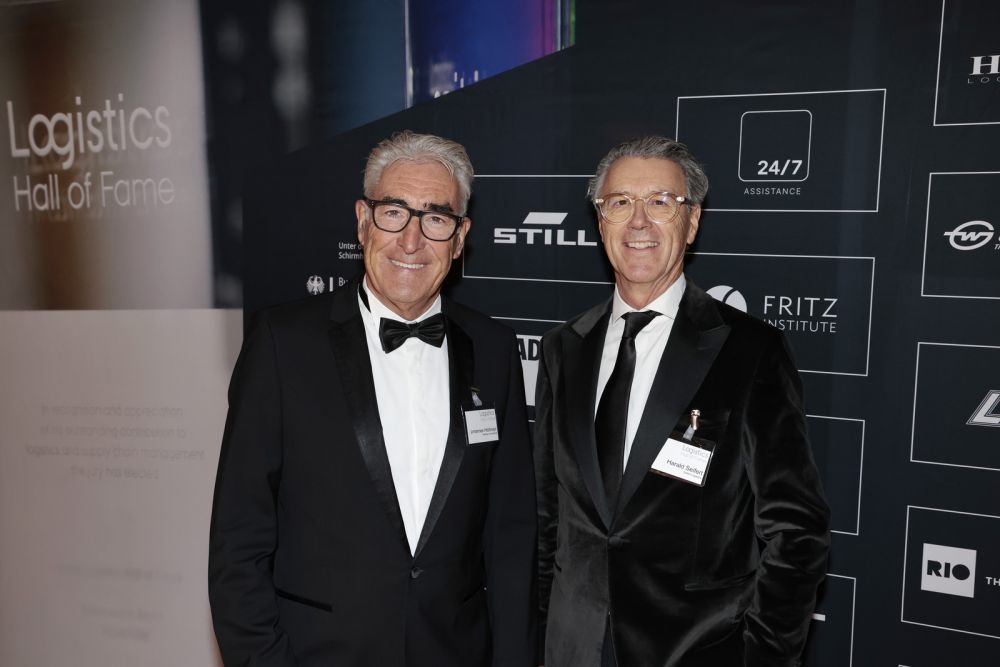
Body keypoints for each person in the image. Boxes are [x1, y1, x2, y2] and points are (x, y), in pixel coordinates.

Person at [209, 131, 536, 667]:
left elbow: (511, 535)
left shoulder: (494, 350)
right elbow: (238, 539)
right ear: (363, 221)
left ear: (460, 238)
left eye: (436, 218)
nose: (411, 241)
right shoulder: (282, 344)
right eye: (394, 213)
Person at [534, 136, 830, 667]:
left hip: (694, 650)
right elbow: (550, 518)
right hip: (571, 647)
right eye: (620, 202)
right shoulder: (563, 348)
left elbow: (797, 531)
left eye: (661, 202)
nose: (638, 221)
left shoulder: (750, 350)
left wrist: (762, 656)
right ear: (600, 221)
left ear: (691, 222)